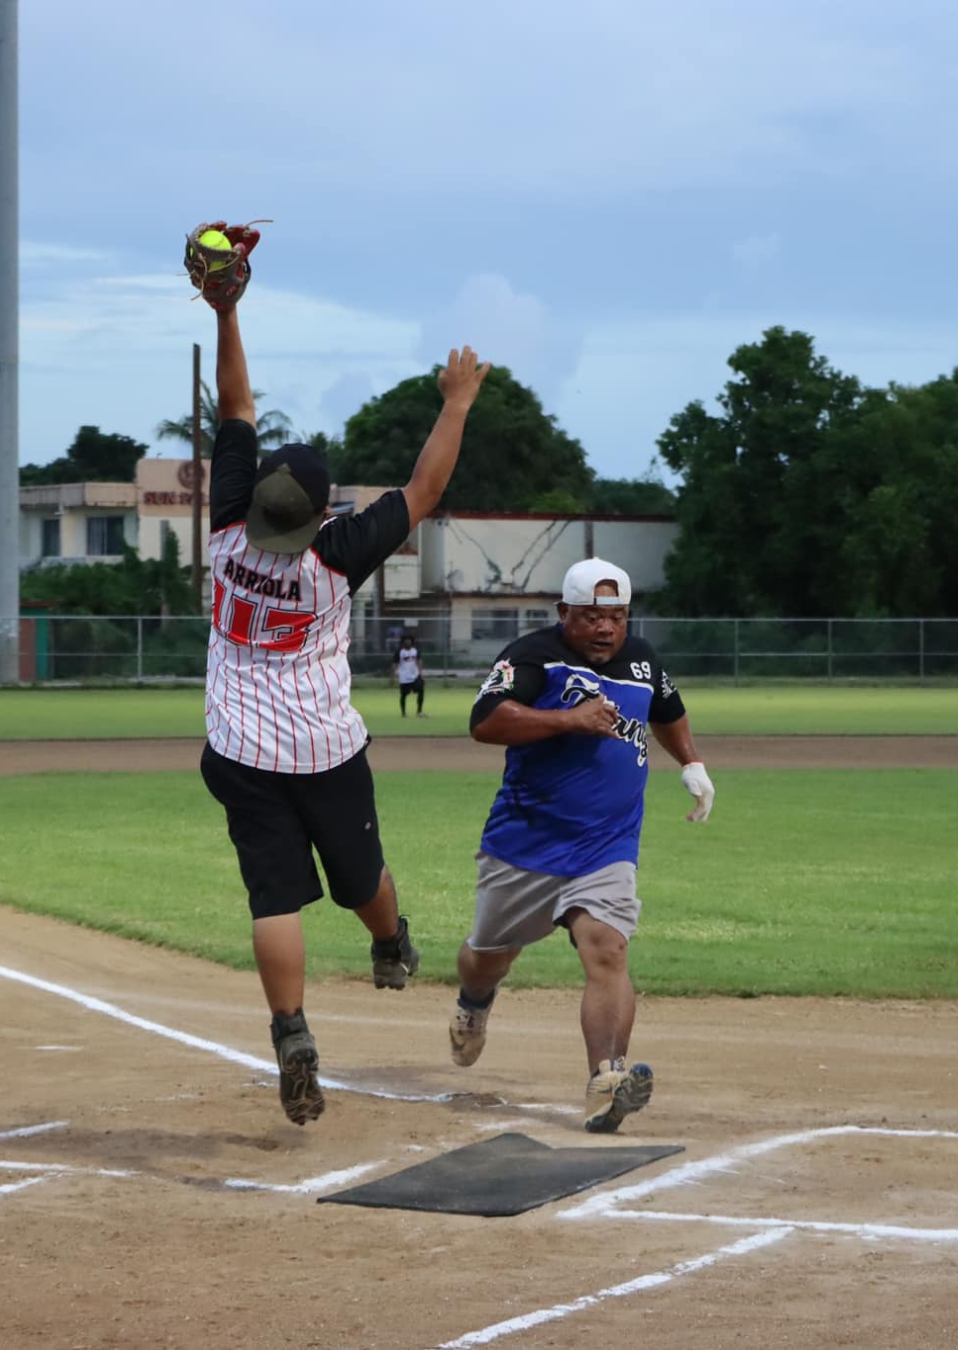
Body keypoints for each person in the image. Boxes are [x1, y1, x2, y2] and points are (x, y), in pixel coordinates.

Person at [198, 283, 489, 1128]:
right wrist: (457, 403)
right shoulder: (332, 562)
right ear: (321, 514)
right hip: (322, 747)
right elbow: (424, 490)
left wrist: (224, 311)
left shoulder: (223, 532)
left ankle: (291, 1034)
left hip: (238, 751)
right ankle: (390, 941)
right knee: (361, 875)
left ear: (256, 503)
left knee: (273, 899)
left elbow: (237, 403)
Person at [448, 557, 715, 1133]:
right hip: (526, 844)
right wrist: (569, 719)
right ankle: (473, 1003)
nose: (605, 629)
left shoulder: (642, 658)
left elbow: (668, 711)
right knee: (487, 959)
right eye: (592, 616)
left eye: (616, 617)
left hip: (606, 843)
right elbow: (485, 722)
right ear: (564, 612)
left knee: (607, 948)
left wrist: (691, 762)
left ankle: (606, 1083)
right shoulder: (530, 655)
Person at [393, 636, 426, 717]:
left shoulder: (415, 651)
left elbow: (419, 661)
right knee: (403, 695)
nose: (408, 642)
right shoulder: (400, 652)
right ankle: (403, 713)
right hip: (404, 677)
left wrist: (421, 673)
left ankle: (419, 711)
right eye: (406, 641)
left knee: (421, 690)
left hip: (415, 675)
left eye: (409, 641)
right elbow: (395, 664)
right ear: (403, 642)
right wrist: (394, 676)